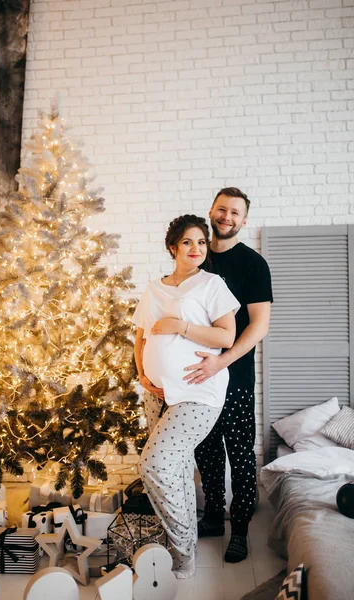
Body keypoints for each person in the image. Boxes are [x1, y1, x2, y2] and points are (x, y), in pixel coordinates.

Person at [132, 214, 240, 579]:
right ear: (172, 247)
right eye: (188, 242)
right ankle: (185, 545)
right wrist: (143, 373)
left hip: (198, 391)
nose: (196, 248)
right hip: (159, 393)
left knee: (155, 464)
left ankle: (181, 553)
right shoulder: (155, 288)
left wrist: (181, 326)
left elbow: (227, 336)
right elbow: (141, 337)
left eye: (201, 242)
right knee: (175, 468)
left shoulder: (212, 284)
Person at [185, 188, 273, 564]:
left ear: (244, 220)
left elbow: (259, 326)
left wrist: (222, 362)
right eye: (222, 209)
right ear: (211, 211)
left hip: (233, 377)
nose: (227, 217)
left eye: (235, 212)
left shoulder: (253, 264)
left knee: (239, 457)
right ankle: (213, 520)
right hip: (197, 378)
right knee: (205, 453)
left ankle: (239, 531)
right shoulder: (194, 261)